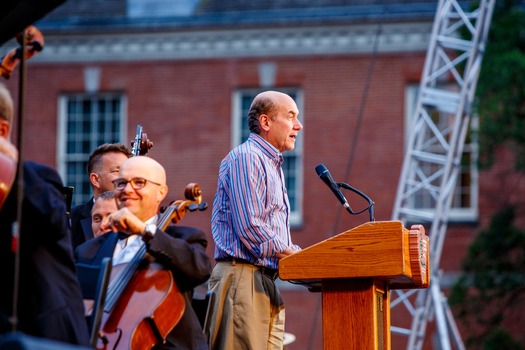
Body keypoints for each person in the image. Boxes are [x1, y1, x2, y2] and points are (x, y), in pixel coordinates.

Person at [75, 155, 212, 349]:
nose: (128, 189)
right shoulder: (88, 250)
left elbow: (200, 269)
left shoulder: (185, 238)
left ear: (161, 192)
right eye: (121, 183)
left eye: (139, 182)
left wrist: (144, 230)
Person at [204, 90, 303, 349]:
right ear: (266, 122)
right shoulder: (247, 158)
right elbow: (251, 227)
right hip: (242, 278)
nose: (298, 125)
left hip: (265, 280)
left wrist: (297, 255)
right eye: (291, 116)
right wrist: (295, 254)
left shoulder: (272, 165)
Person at [0, 83, 90, 345]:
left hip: (43, 333)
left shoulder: (38, 178)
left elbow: (53, 219)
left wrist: (13, 164)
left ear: (2, 131)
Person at [70, 143, 131, 249]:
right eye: (117, 171)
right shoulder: (69, 220)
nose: (126, 178)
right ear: (95, 179)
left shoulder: (139, 217)